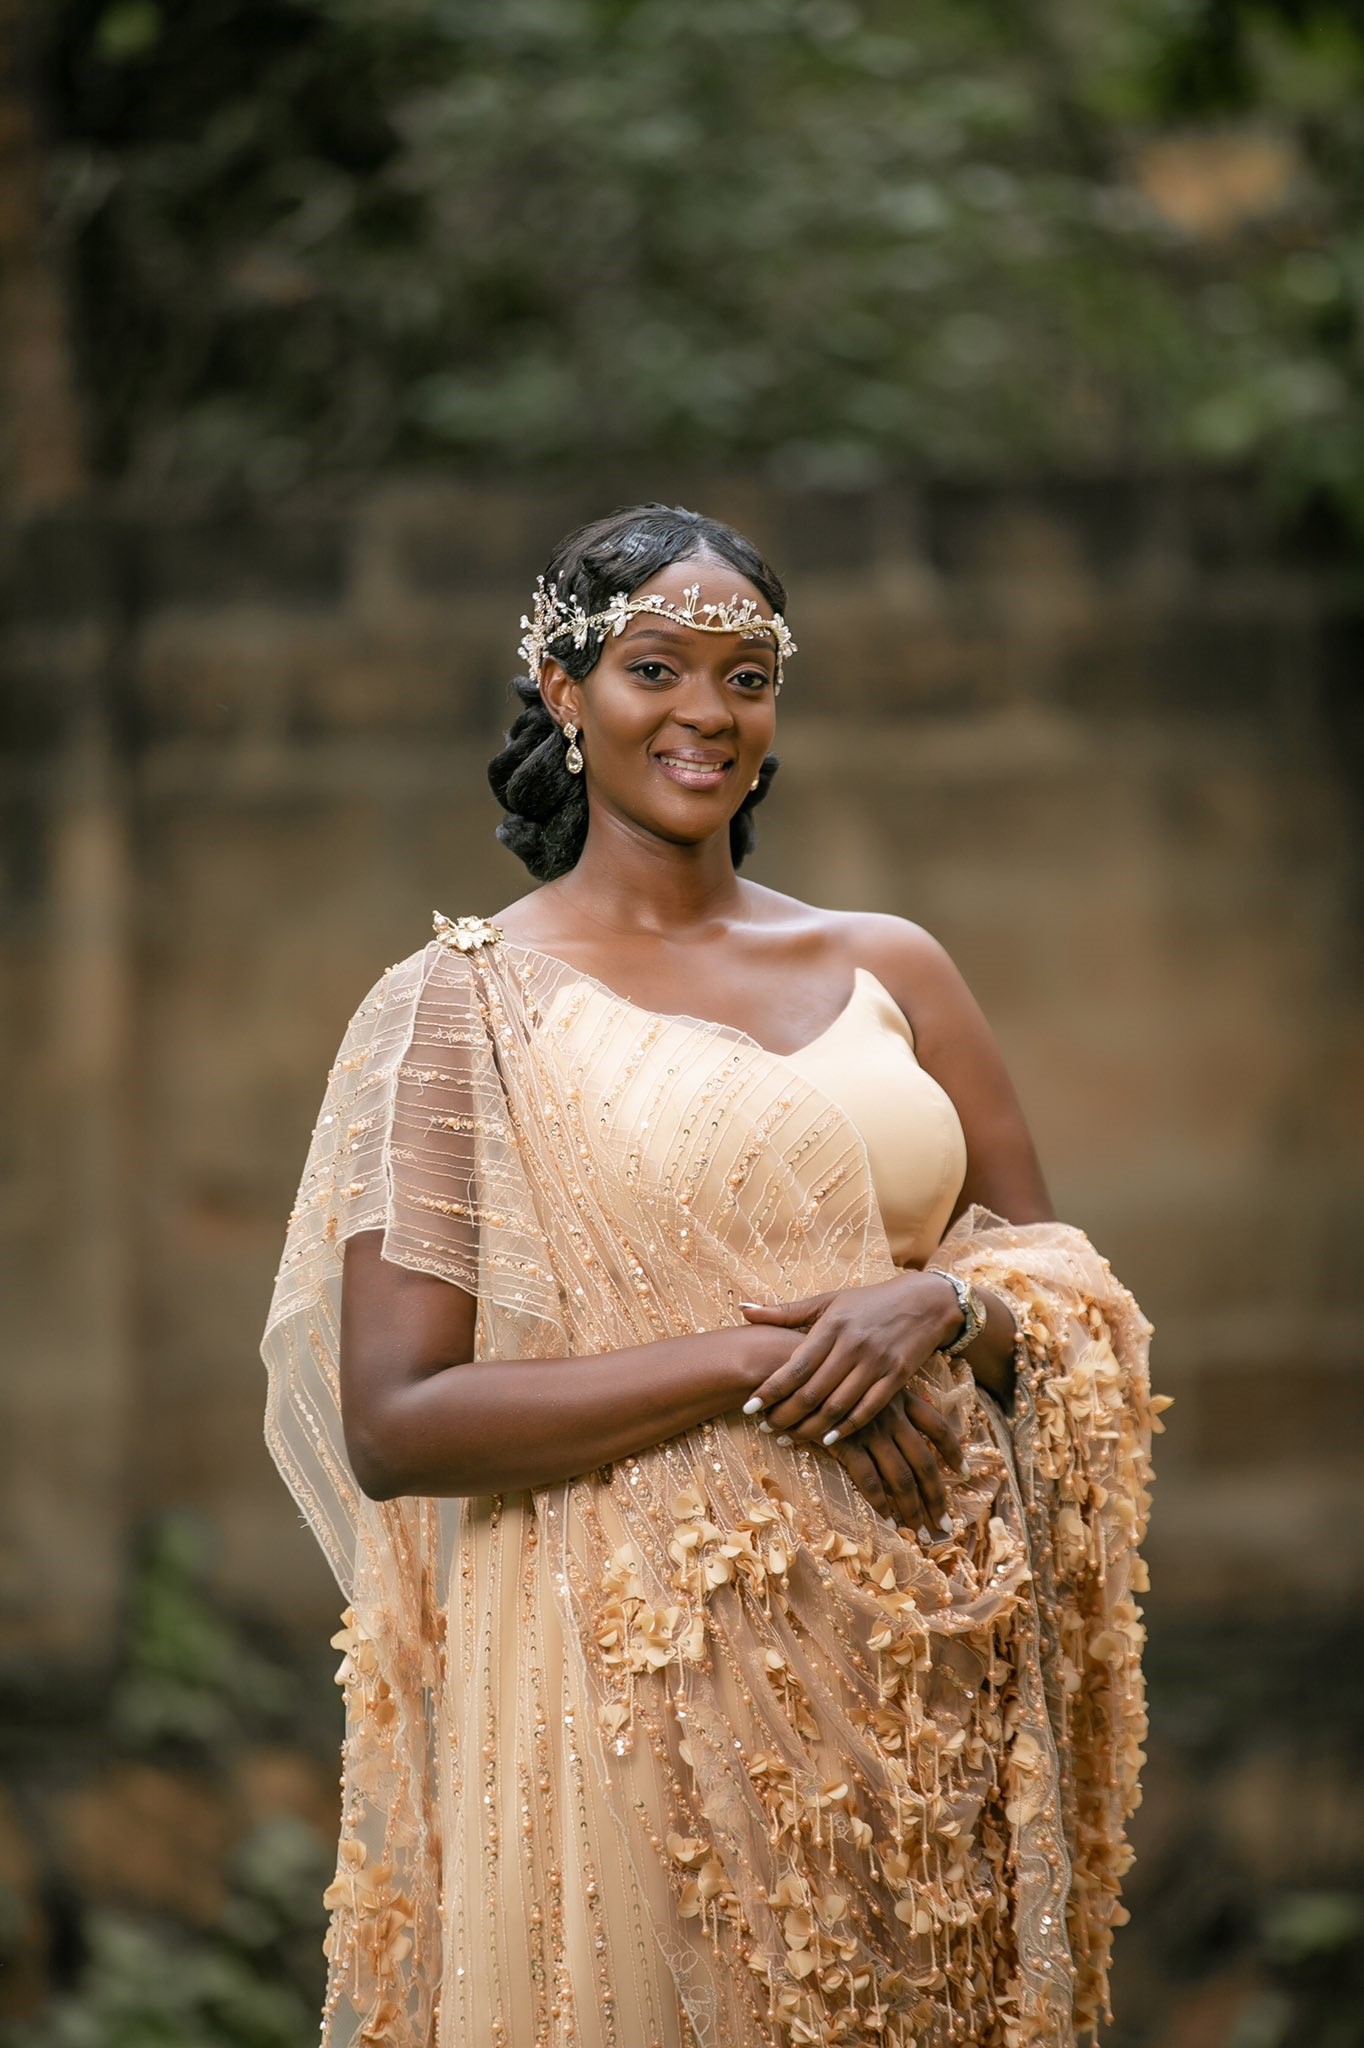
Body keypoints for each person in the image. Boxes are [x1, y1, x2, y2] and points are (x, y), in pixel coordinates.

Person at [262, 502, 1163, 2048]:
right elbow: (399, 1420)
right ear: (564, 689)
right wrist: (758, 1363)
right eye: (655, 668)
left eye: (746, 676)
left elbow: (1050, 1271)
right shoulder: (459, 1013)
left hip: (926, 1663)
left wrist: (943, 1304)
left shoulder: (893, 966)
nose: (705, 712)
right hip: (638, 1698)